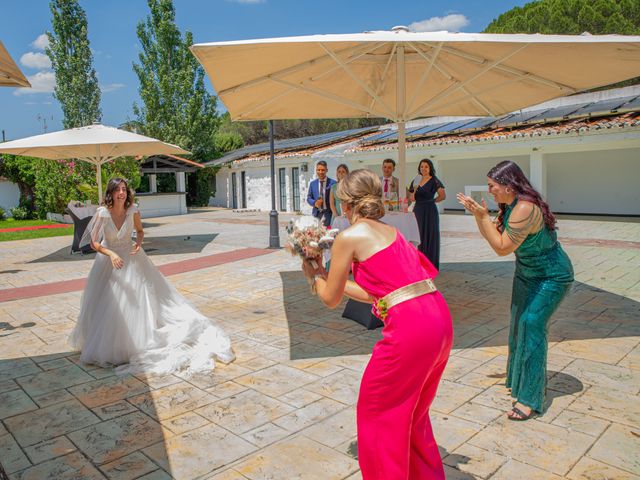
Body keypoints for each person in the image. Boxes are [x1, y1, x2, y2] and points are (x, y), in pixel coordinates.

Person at [301, 169, 453, 479]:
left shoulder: (349, 236)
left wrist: (314, 276)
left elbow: (330, 299)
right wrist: (329, 278)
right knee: (413, 413)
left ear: (346, 205)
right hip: (437, 320)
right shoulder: (391, 232)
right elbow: (379, 292)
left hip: (410, 329)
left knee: (377, 413)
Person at [69, 178, 234, 376]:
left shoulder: (133, 211)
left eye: (124, 189)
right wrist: (111, 254)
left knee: (139, 302)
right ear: (111, 193)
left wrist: (138, 243)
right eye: (118, 190)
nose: (122, 193)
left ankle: (136, 342)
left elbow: (139, 231)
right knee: (107, 303)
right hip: (108, 261)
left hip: (132, 259)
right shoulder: (102, 213)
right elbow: (94, 243)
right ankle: (109, 344)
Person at [456, 161, 574, 421]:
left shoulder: (524, 208)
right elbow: (497, 238)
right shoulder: (510, 205)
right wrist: (482, 218)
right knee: (517, 324)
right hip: (526, 272)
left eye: (492, 186)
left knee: (532, 324)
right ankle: (518, 381)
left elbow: (501, 248)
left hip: (552, 276)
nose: (490, 191)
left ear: (509, 186)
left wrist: (480, 217)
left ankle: (530, 398)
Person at [408, 158, 446, 269]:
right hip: (418, 209)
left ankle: (430, 264)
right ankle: (419, 263)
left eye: (426, 166)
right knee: (418, 234)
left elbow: (442, 196)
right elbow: (412, 198)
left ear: (430, 168)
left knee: (430, 235)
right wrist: (415, 189)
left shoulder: (434, 180)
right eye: (421, 166)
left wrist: (433, 201)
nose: (423, 169)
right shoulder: (415, 180)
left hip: (430, 210)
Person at [306, 160, 336, 226]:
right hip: (316, 214)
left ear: (326, 170)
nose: (320, 172)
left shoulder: (333, 183)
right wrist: (314, 203)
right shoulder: (312, 184)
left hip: (329, 214)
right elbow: (309, 198)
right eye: (318, 170)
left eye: (323, 170)